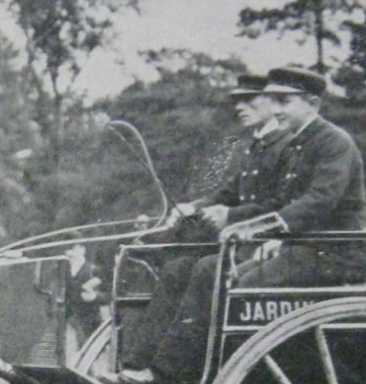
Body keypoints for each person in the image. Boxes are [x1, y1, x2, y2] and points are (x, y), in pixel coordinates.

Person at [115, 65, 366, 384]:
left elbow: (319, 201)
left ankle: (196, 377)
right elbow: (281, 200)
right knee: (210, 270)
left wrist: (256, 229)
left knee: (231, 279)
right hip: (300, 247)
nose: (276, 109)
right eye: (273, 100)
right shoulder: (296, 145)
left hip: (336, 252)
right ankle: (165, 369)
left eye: (284, 101)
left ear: (312, 103)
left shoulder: (334, 142)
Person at [119, 73, 289, 365]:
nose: (240, 107)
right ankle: (137, 364)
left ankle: (177, 368)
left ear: (273, 102)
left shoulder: (287, 145)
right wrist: (194, 207)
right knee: (175, 270)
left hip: (263, 245)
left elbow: (283, 205)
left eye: (249, 99)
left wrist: (230, 215)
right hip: (239, 243)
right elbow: (227, 193)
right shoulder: (252, 147)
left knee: (205, 269)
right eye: (237, 100)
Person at [63, 242, 106, 344]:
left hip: (89, 322)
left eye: (73, 248)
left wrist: (96, 297)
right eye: (68, 249)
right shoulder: (63, 272)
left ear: (83, 249)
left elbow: (108, 296)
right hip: (68, 323)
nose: (70, 252)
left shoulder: (94, 270)